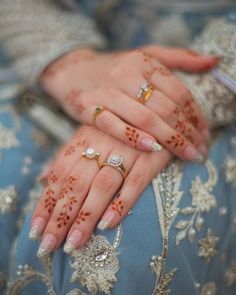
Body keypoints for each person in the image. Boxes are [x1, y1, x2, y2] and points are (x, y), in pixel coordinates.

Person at [0, 1, 235, 294]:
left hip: (219, 72)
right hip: (63, 47)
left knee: (133, 229)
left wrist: (165, 106)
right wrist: (69, 63)